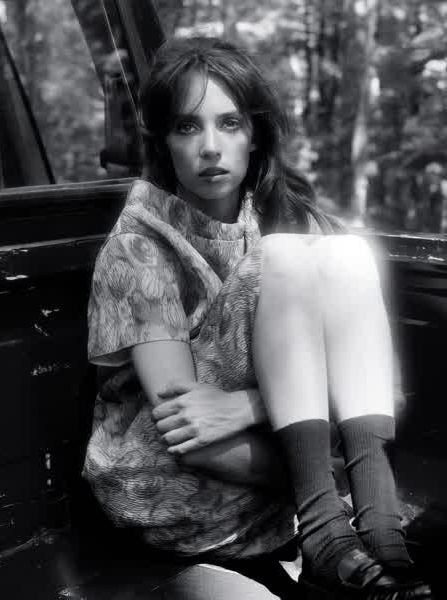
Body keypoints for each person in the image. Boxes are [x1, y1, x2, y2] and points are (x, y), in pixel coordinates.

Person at [83, 36, 432, 599]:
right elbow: (191, 432)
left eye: (229, 123)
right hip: (175, 484)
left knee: (345, 253)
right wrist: (321, 474)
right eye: (187, 127)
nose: (210, 148)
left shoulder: (287, 217)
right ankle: (328, 531)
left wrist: (247, 406)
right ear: (163, 141)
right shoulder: (139, 248)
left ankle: (378, 528)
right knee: (285, 257)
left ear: (255, 133)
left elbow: (377, 388)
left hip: (286, 474)